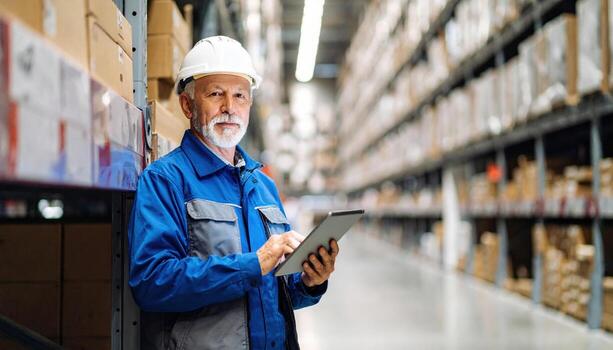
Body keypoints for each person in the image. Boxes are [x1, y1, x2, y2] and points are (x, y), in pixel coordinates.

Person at [128, 35, 339, 350]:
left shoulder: (263, 185)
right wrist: (254, 263)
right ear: (187, 104)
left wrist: (310, 280)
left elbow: (274, 292)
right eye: (215, 94)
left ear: (250, 104)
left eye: (240, 95)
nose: (230, 107)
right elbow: (152, 282)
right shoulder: (165, 180)